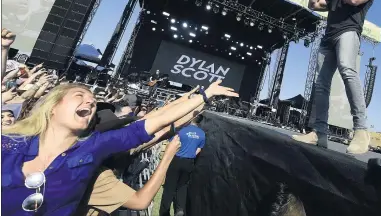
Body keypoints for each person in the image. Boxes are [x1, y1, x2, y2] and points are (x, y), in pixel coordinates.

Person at [2, 80, 238, 215]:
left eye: (93, 101)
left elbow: (149, 124)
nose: (90, 102)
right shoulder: (10, 143)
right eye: (80, 95)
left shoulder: (91, 149)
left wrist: (204, 96)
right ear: (53, 107)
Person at [292, 0, 376, 154]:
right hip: (328, 39)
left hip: (348, 32)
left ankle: (361, 131)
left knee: (348, 70)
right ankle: (318, 133)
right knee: (321, 85)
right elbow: (313, 5)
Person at [159, 114, 206, 216]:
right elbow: (199, 149)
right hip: (189, 162)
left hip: (176, 159)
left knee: (169, 187)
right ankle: (180, 209)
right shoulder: (202, 134)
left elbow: (171, 144)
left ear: (192, 118)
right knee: (182, 187)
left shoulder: (182, 130)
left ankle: (164, 212)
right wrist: (191, 154)